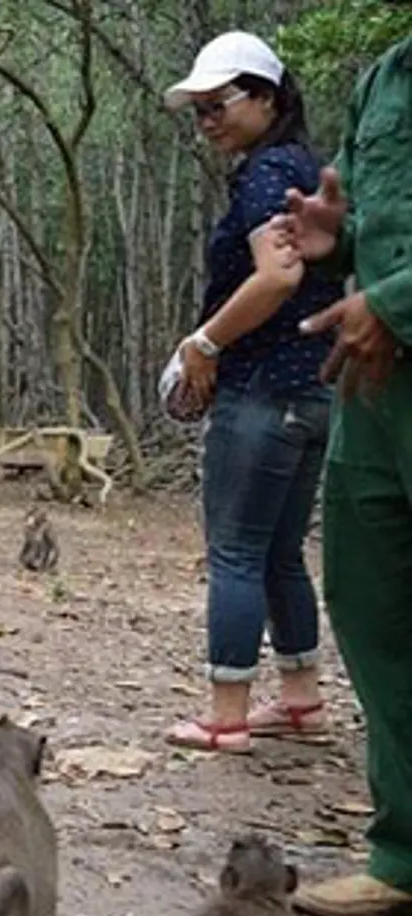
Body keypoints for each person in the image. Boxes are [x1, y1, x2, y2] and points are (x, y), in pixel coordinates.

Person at [157, 32, 344, 754]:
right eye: (196, 110)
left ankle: (224, 713)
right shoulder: (299, 167)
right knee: (279, 552)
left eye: (217, 104)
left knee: (234, 551)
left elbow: (277, 277)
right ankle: (299, 699)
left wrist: (202, 343)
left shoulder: (268, 174)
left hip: (264, 389)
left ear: (266, 98)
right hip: (311, 390)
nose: (205, 121)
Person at [272, 29, 412, 916]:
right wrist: (338, 241)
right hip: (372, 387)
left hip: (387, 329)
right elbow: (376, 224)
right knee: (373, 615)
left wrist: (395, 301)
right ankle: (401, 850)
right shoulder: (383, 77)